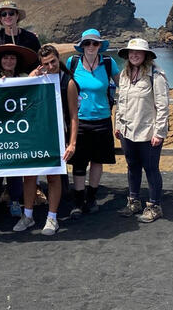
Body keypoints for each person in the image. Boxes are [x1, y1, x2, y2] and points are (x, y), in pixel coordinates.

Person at [13, 44, 79, 235]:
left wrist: (72, 143)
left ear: (58, 58)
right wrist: (32, 78)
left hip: (57, 135)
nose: (51, 66)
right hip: (35, 134)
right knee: (30, 176)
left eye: (53, 61)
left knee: (53, 177)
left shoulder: (69, 82)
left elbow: (74, 116)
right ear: (41, 65)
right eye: (46, 63)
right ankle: (28, 216)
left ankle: (52, 218)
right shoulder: (38, 79)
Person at [66, 29, 120, 219]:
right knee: (79, 163)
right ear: (81, 46)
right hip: (79, 121)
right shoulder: (72, 63)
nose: (90, 47)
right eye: (87, 43)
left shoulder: (108, 63)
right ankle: (78, 202)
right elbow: (60, 84)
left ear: (100, 45)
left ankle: (92, 197)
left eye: (94, 43)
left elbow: (125, 84)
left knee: (97, 161)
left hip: (103, 120)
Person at [114, 38, 169, 223]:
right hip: (127, 130)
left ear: (146, 54)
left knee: (151, 169)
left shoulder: (156, 74)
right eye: (131, 52)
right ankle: (134, 201)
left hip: (148, 132)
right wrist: (118, 125)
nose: (134, 55)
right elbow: (121, 102)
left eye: (138, 52)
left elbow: (162, 106)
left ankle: (154, 206)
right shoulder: (124, 74)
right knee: (132, 167)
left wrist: (159, 132)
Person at [0, 43, 36, 218]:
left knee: (15, 169)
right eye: (5, 58)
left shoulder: (24, 77)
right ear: (0, 61)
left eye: (12, 58)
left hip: (17, 130)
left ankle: (14, 201)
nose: (9, 61)